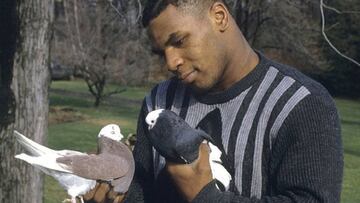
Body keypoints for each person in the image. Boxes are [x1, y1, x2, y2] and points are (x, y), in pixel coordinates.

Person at [85, 0, 343, 202]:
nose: (171, 62)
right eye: (161, 51)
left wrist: (205, 197)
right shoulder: (158, 102)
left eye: (179, 41)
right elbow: (144, 191)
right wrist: (117, 194)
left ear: (219, 16)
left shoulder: (301, 104)